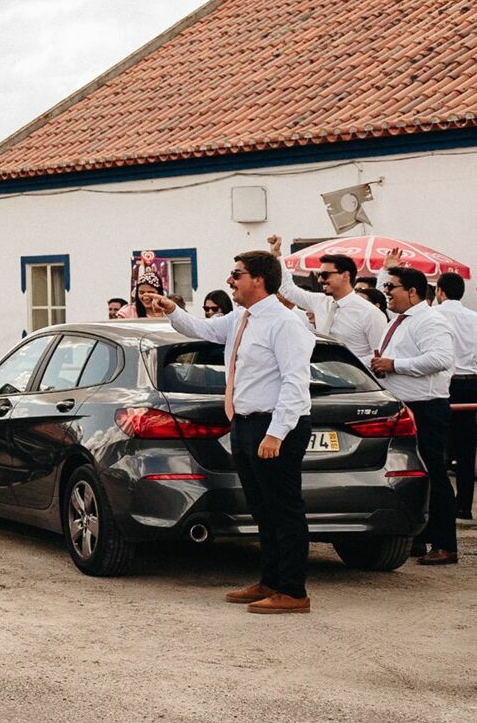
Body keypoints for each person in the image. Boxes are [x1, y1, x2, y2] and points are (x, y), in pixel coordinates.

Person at [154, 251, 314, 613]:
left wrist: (276, 434)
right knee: (262, 509)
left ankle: (294, 591)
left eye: (236, 274)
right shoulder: (242, 317)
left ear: (258, 279)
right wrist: (171, 309)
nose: (230, 281)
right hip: (244, 422)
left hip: (274, 424)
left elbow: (295, 382)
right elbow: (204, 330)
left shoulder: (284, 324)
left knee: (285, 510)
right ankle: (270, 581)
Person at [372, 266, 458, 564]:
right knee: (413, 474)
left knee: (433, 473)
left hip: (426, 407)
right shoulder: (399, 320)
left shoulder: (430, 320)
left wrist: (394, 364)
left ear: (412, 291)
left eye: (391, 287)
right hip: (403, 405)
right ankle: (419, 538)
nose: (387, 293)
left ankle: (446, 544)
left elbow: (441, 358)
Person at [266, 235, 386, 369]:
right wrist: (276, 255)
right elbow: (288, 289)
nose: (320, 280)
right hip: (325, 380)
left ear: (345, 276)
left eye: (325, 275)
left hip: (358, 383)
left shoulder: (370, 313)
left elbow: (380, 355)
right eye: (319, 275)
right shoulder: (320, 301)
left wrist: (347, 365)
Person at [434, 271, 477, 520]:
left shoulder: (434, 315)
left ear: (440, 291)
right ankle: (464, 506)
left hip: (444, 383)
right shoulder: (474, 318)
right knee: (466, 446)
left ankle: (441, 503)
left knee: (439, 444)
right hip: (470, 383)